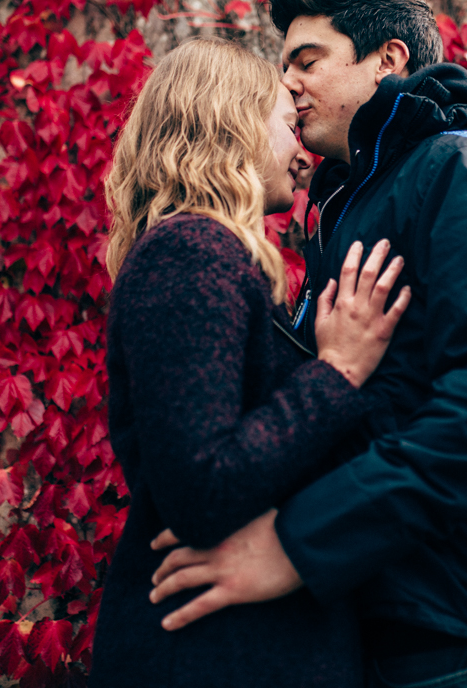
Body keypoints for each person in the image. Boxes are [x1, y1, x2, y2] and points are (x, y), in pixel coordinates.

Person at [149, 0, 467, 688]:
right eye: (284, 66)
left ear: (388, 61)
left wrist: (296, 545)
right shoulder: (346, 208)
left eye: (308, 61)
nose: (286, 84)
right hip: (383, 641)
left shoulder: (461, 173)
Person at [90, 36, 411, 688]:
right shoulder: (189, 253)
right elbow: (202, 485)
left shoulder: (204, 257)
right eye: (289, 125)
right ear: (231, 121)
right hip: (212, 655)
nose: (302, 153)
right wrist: (336, 372)